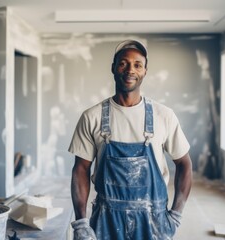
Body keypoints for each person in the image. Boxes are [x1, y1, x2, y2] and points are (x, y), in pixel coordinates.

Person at [69, 39, 192, 240]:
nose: (130, 70)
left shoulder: (164, 116)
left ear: (145, 71)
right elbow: (81, 169)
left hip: (154, 221)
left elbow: (184, 163)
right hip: (106, 220)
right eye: (123, 63)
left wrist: (176, 214)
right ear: (113, 68)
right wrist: (81, 222)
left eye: (137, 65)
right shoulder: (92, 116)